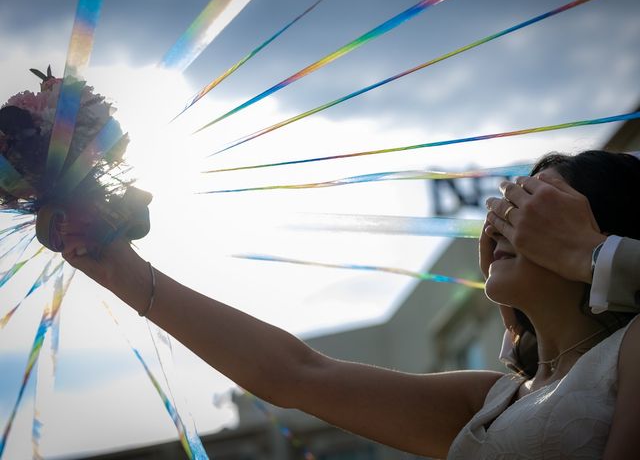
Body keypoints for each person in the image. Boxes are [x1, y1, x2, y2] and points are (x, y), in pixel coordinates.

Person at [61, 150, 640, 459]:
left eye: (536, 206)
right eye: (509, 204)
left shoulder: (629, 350)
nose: (503, 218)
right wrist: (122, 271)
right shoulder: (489, 401)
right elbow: (296, 374)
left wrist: (593, 255)